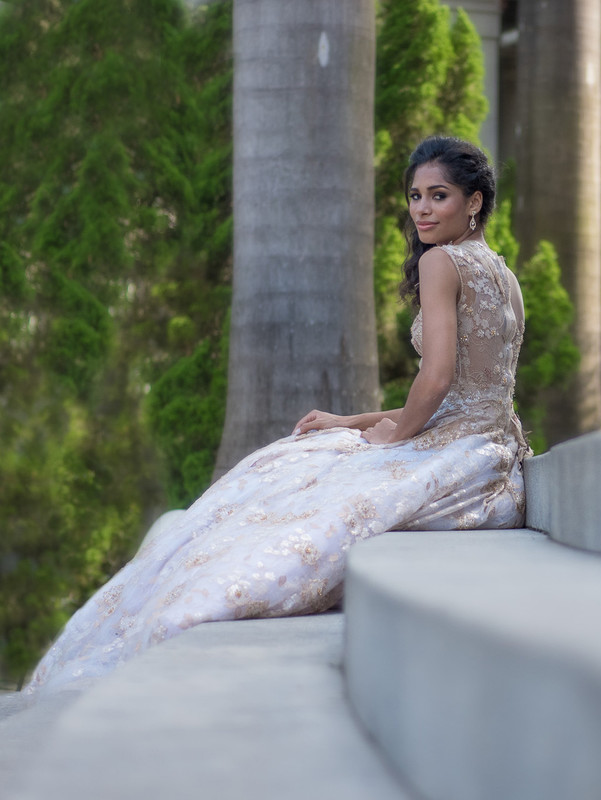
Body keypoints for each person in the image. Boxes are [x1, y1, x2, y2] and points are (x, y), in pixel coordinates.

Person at [24, 136, 528, 694]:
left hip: (456, 453)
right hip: (491, 455)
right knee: (309, 456)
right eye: (414, 196)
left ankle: (174, 613)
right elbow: (468, 396)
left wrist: (393, 438)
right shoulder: (502, 273)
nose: (423, 210)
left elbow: (434, 381)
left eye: (439, 196)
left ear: (474, 201)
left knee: (280, 478)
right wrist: (352, 422)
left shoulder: (441, 262)